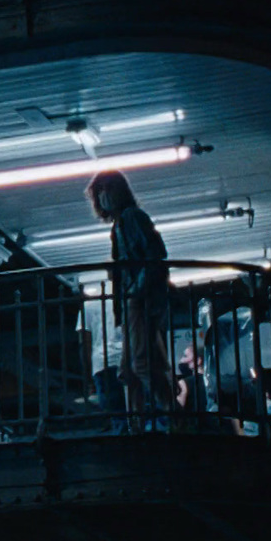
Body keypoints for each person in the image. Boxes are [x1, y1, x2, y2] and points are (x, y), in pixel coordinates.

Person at [86, 170, 174, 430]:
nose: (103, 197)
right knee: (131, 367)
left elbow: (154, 255)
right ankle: (142, 420)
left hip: (138, 298)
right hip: (134, 299)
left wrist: (135, 290)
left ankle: (171, 415)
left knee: (141, 364)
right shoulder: (122, 223)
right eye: (99, 192)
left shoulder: (131, 218)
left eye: (106, 190)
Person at [77, 281, 128, 433]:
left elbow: (84, 343)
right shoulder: (128, 298)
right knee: (136, 409)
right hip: (129, 360)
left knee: (115, 411)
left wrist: (88, 376)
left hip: (103, 363)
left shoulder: (88, 306)